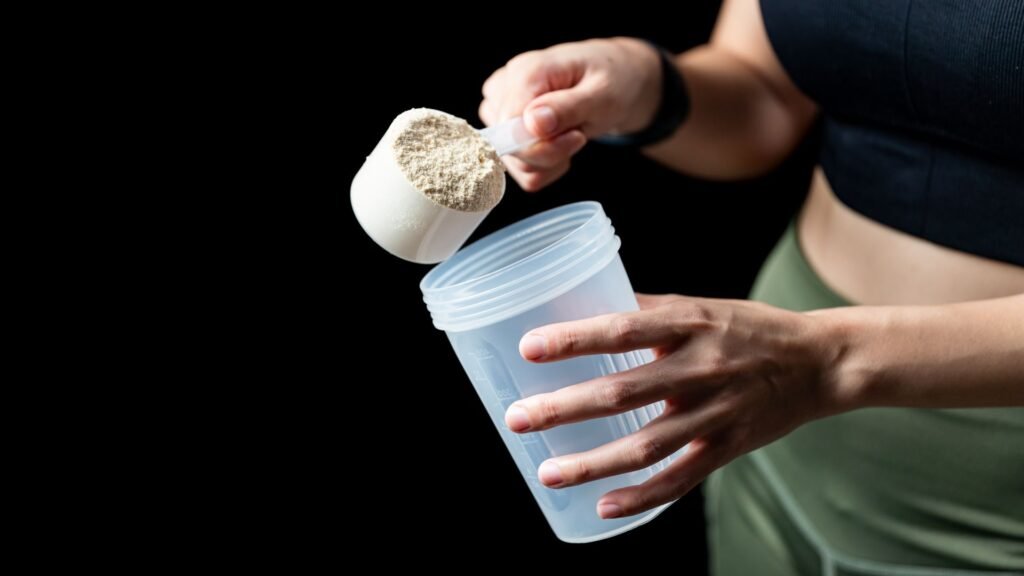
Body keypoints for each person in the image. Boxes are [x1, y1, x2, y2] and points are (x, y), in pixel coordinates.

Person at [478, 1, 1024, 574]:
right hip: (769, 413)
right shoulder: (778, 375)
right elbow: (764, 91)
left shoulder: (807, 366)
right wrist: (647, 86)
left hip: (989, 486)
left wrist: (827, 363)